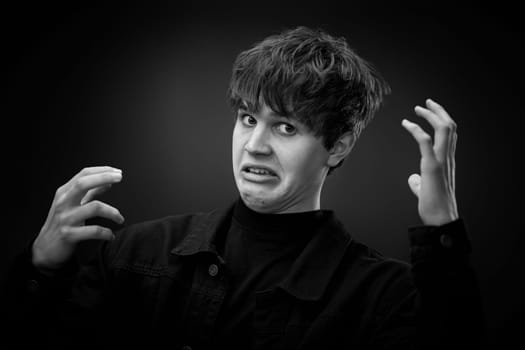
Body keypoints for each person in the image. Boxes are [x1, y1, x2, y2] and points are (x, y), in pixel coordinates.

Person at [5, 26, 483, 349]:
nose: (254, 145)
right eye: (248, 118)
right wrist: (41, 268)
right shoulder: (135, 253)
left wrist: (443, 234)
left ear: (337, 146)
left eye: (286, 128)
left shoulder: (381, 295)